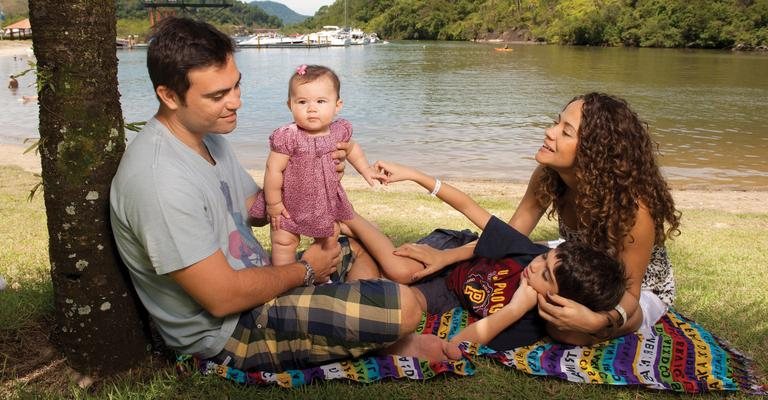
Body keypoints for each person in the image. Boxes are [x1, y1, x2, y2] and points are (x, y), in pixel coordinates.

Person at [109, 17, 455, 373]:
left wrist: (311, 178)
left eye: (236, 86)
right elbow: (221, 297)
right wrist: (306, 269)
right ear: (168, 96)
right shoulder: (158, 179)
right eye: (218, 95)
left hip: (262, 281)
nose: (236, 103)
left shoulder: (207, 137)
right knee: (406, 307)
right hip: (229, 329)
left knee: (358, 244)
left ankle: (359, 327)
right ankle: (379, 335)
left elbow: (256, 210)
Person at [382, 93, 681, 345]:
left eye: (566, 131)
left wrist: (596, 320)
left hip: (635, 289)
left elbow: (629, 293)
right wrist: (447, 257)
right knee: (508, 266)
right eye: (556, 122)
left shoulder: (632, 211)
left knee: (568, 330)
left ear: (596, 152)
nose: (550, 132)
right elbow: (510, 237)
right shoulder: (549, 177)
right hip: (570, 261)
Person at [343, 162, 626, 352]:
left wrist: (514, 309)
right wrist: (416, 176)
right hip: (455, 251)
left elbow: (459, 343)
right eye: (546, 258)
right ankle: (347, 214)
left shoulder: (526, 323)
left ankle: (360, 249)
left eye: (546, 275)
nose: (535, 266)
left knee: (393, 302)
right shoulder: (528, 253)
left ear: (559, 299)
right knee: (399, 271)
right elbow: (469, 207)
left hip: (450, 292)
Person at [249, 64, 377, 267]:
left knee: (330, 236)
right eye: (302, 102)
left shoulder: (338, 132)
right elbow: (274, 169)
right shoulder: (289, 136)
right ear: (290, 105)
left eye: (320, 101)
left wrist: (366, 169)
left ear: (337, 105)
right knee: (283, 240)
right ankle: (284, 278)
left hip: (324, 201)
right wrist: (273, 204)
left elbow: (352, 149)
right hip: (289, 202)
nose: (311, 108)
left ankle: (323, 274)